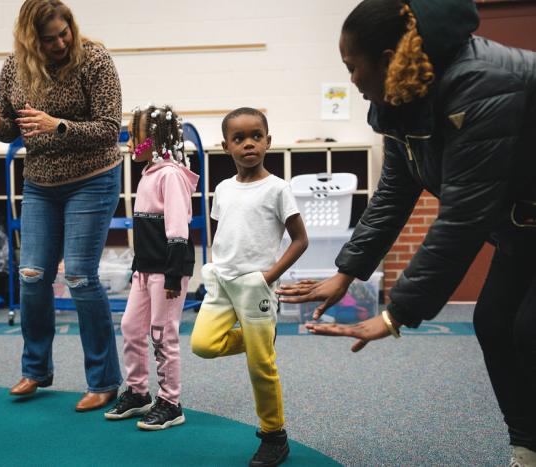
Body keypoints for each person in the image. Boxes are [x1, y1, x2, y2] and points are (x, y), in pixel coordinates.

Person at [277, 0, 536, 464]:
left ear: (388, 57)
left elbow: (462, 215)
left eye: (352, 67)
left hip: (520, 222)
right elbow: (395, 191)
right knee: (494, 324)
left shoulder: (484, 82)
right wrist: (347, 272)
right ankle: (528, 448)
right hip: (522, 230)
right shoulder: (405, 96)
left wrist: (397, 313)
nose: (351, 79)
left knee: (528, 331)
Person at [0, 0, 124, 410]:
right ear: (30, 40)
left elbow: (111, 129)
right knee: (32, 274)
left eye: (64, 32)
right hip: (40, 183)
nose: (60, 42)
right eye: (49, 38)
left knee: (78, 275)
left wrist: (58, 125)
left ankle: (104, 380)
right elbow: (10, 129)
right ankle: (35, 370)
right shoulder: (14, 67)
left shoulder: (94, 59)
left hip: (92, 179)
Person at [191, 108, 308, 467]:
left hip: (256, 287)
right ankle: (259, 339)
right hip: (222, 284)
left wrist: (267, 277)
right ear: (226, 146)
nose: (248, 144)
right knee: (203, 345)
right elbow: (221, 232)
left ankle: (274, 435)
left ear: (268, 142)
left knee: (261, 368)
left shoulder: (277, 189)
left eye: (256, 136)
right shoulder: (223, 189)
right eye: (239, 139)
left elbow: (300, 240)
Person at [104, 105, 198, 430]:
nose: (130, 143)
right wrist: (137, 270)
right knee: (131, 327)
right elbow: (145, 232)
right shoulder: (148, 174)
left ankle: (171, 402)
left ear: (154, 139)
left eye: (134, 136)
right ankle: (138, 392)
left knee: (162, 335)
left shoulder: (170, 175)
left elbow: (176, 230)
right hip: (145, 270)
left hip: (168, 272)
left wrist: (172, 275)